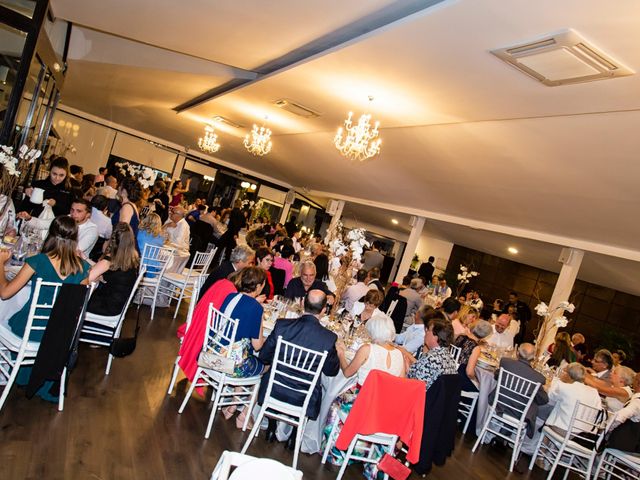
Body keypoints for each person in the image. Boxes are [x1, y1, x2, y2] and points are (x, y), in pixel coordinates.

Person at [0, 216, 90, 402]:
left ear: (51, 235)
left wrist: (0, 264)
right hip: (60, 336)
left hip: (30, 332)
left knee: (6, 315)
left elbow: (5, 293)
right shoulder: (84, 268)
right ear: (74, 238)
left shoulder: (38, 261)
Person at [323, 312, 405, 468]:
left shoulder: (367, 349)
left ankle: (338, 450)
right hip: (385, 409)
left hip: (362, 403)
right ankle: (363, 450)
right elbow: (399, 386)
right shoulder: (399, 355)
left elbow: (347, 372)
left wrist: (341, 353)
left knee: (334, 402)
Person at [258, 290, 340, 444]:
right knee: (318, 386)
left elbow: (263, 356)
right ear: (324, 310)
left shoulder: (282, 326)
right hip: (304, 398)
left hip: (275, 388)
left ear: (302, 304)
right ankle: (295, 435)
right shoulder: (328, 338)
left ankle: (271, 426)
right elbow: (332, 371)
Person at [86, 223, 139, 316]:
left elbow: (87, 280)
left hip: (106, 305)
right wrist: (86, 259)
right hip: (118, 305)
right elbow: (104, 269)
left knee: (72, 298)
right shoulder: (131, 256)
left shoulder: (109, 260)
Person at [545, 363, 602, 432]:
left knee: (547, 412)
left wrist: (559, 380)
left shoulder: (564, 387)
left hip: (564, 430)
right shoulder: (594, 392)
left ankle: (540, 441)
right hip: (584, 434)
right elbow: (599, 412)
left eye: (564, 372)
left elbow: (550, 397)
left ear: (568, 375)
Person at [407, 318, 457, 390]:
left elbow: (415, 385)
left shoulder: (431, 358)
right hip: (437, 399)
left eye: (428, 330)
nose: (425, 332)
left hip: (421, 397)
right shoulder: (450, 358)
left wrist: (406, 366)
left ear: (435, 337)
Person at [454, 320, 493, 391]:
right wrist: (476, 380)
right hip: (458, 378)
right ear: (485, 335)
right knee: (482, 390)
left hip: (449, 371)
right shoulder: (475, 347)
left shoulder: (461, 336)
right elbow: (469, 372)